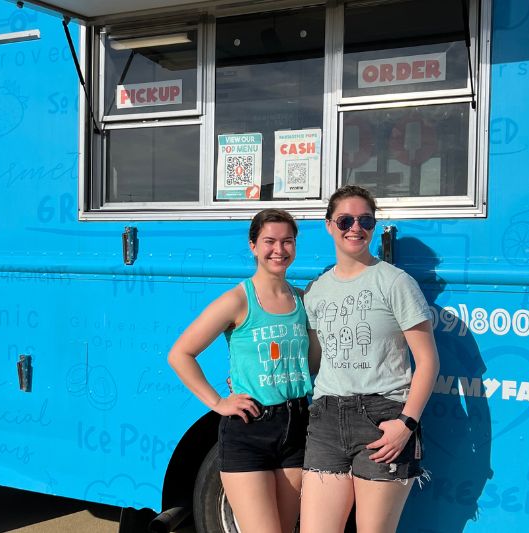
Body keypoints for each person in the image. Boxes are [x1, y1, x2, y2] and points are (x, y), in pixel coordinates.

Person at [300, 185, 440, 533]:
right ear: (329, 224)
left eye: (366, 220)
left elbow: (428, 362)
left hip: (382, 420)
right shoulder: (316, 290)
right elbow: (314, 362)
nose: (356, 227)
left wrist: (406, 425)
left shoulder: (395, 282)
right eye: (346, 219)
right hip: (326, 420)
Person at [168, 208, 312, 533]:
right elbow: (181, 354)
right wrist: (218, 402)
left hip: (297, 426)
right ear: (253, 245)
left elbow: (309, 364)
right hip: (250, 431)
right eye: (270, 241)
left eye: (287, 241)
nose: (279, 249)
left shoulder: (302, 301)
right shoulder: (238, 300)